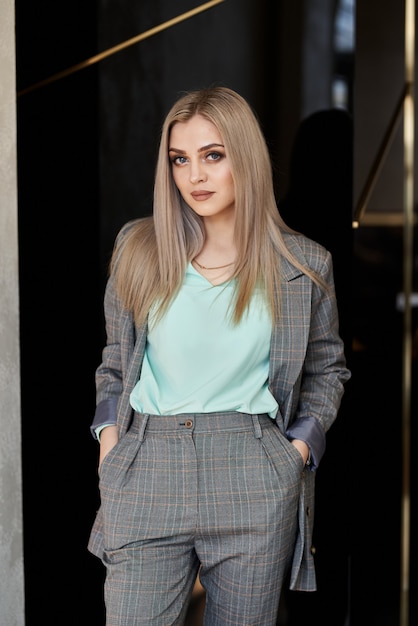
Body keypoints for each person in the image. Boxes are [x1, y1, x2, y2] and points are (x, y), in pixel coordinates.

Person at [88, 86, 351, 626]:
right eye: (180, 160)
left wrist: (294, 452)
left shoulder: (303, 265)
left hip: (253, 464)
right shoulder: (137, 249)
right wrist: (110, 442)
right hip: (146, 464)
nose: (194, 176)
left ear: (245, 157)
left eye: (213, 156)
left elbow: (329, 369)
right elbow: (115, 359)